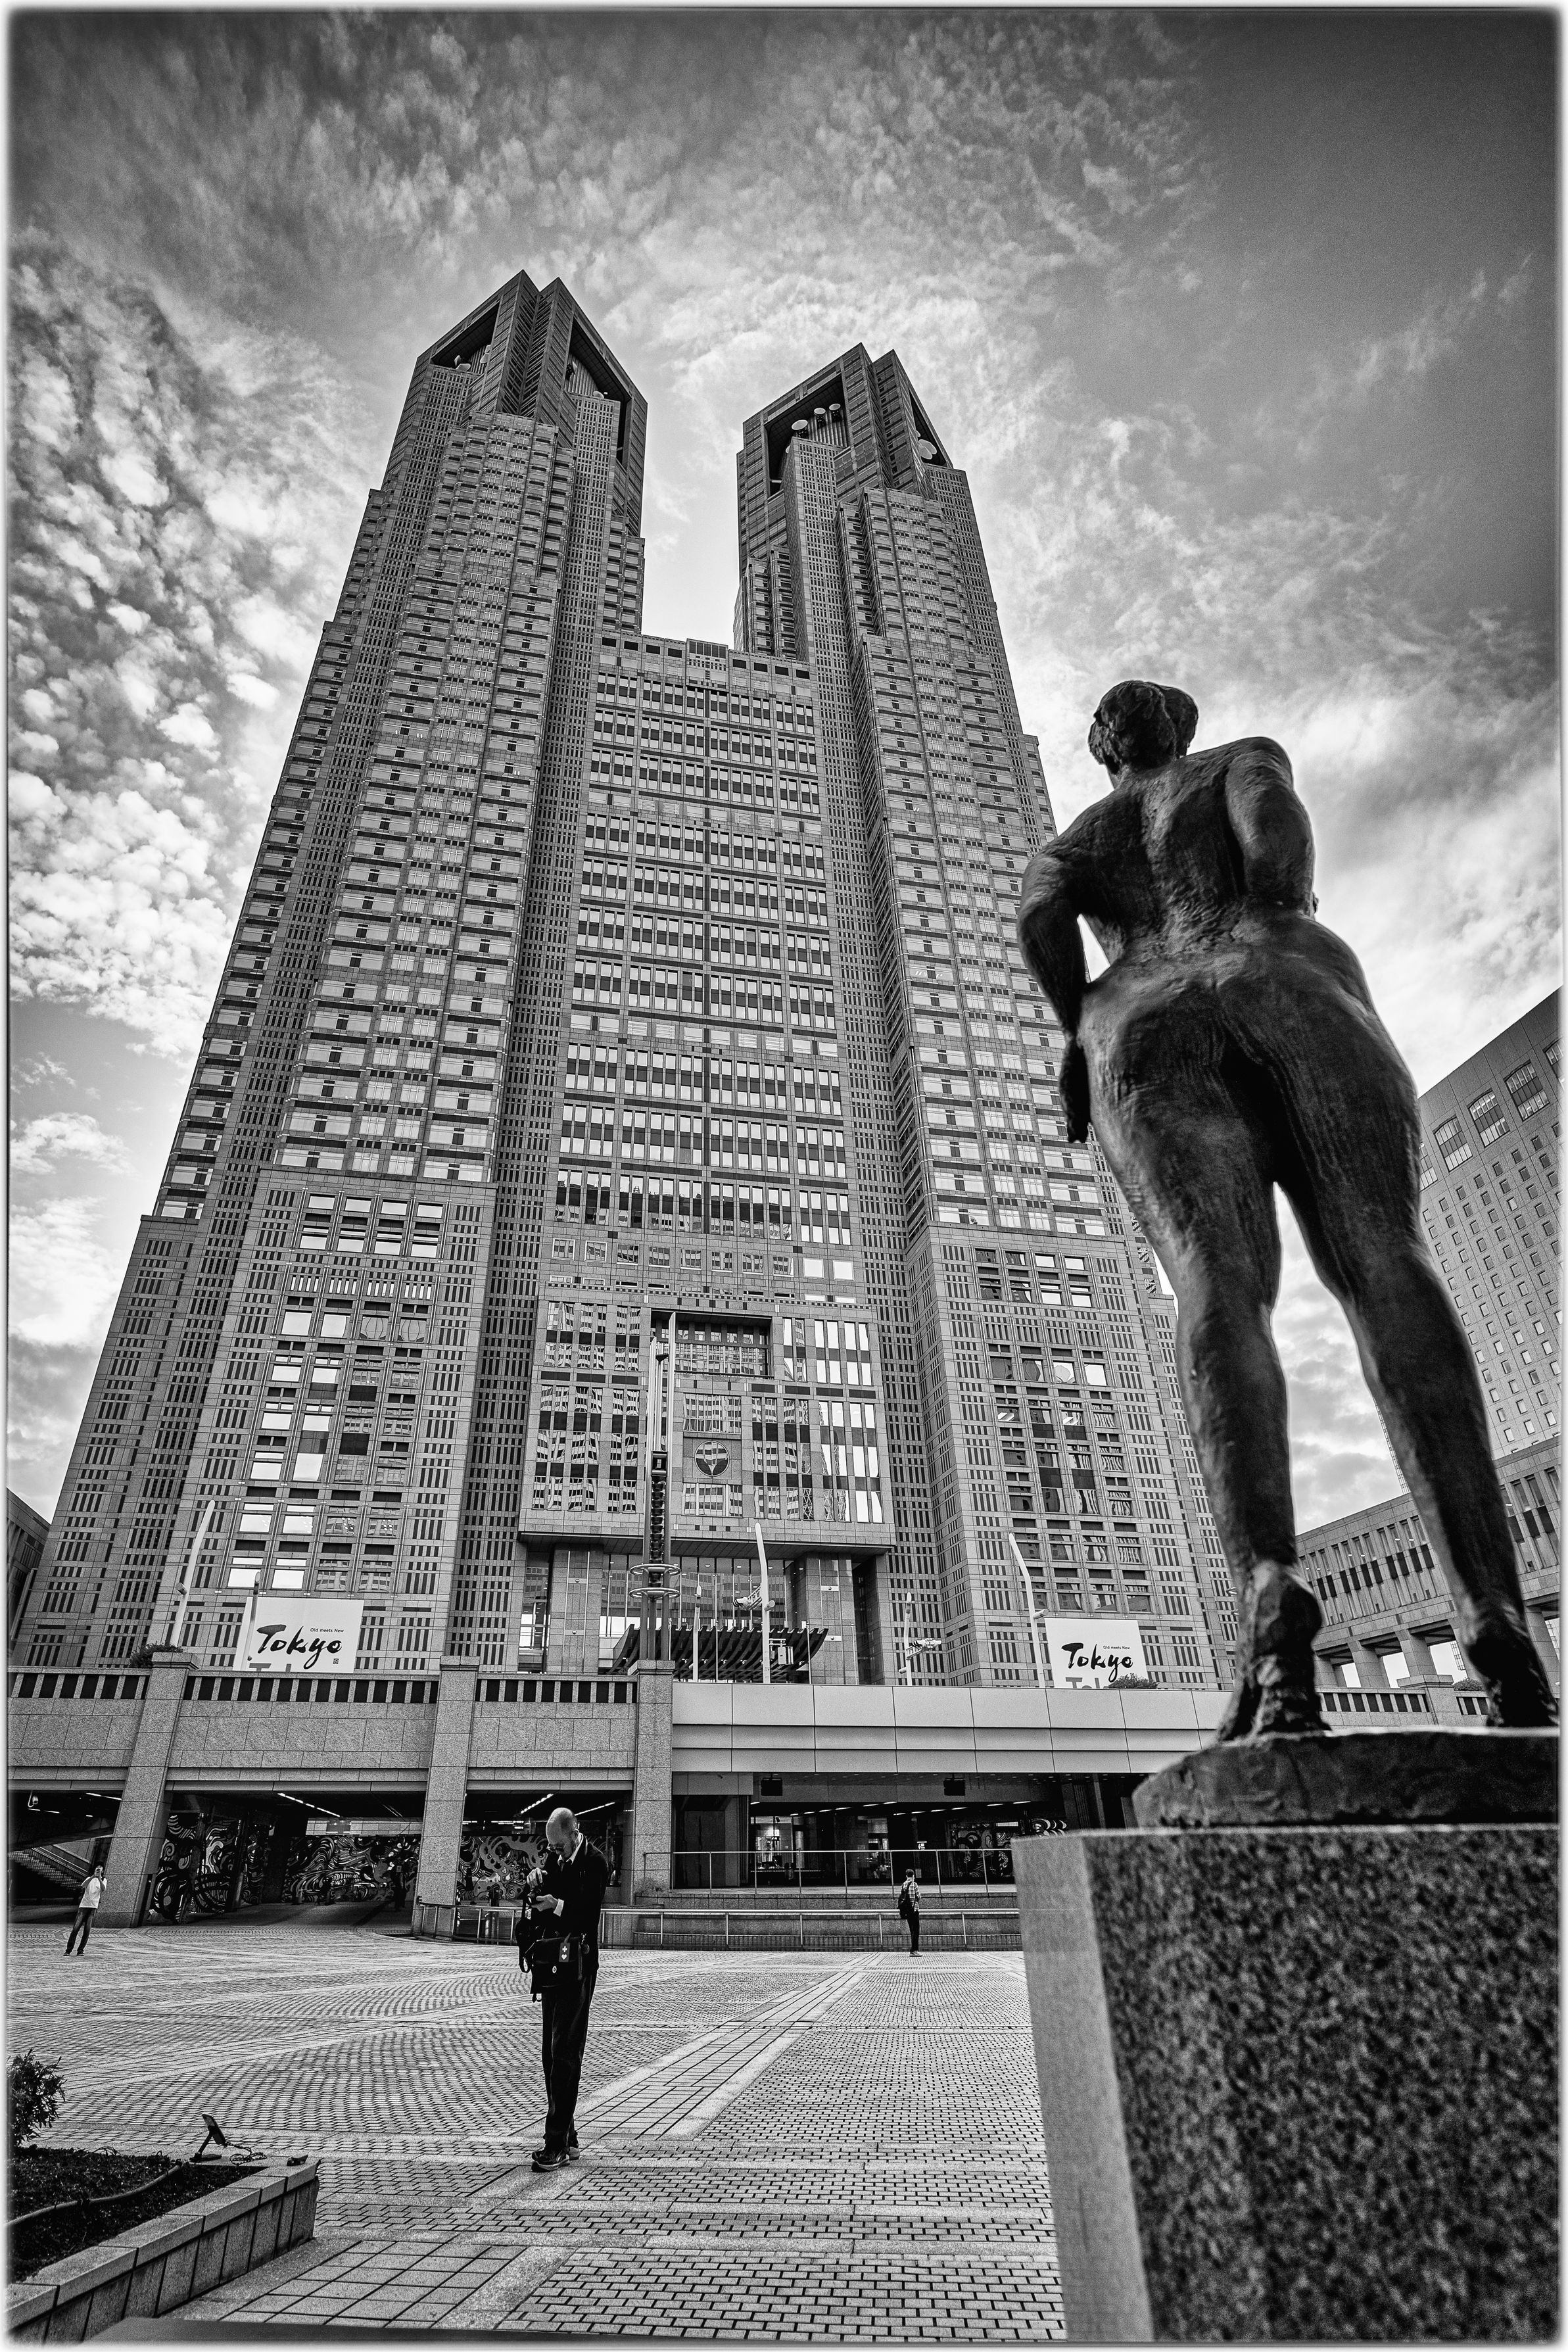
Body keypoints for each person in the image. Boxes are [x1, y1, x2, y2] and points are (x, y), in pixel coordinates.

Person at [1017, 679, 1557, 1737]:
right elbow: (1277, 842)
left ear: (1104, 751)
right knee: (1382, 1257)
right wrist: (1274, 911)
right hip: (1282, 968)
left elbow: (1039, 918)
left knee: (1214, 1288)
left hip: (1138, 1018)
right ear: (1177, 730)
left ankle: (1268, 1594)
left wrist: (1077, 1026)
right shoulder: (1240, 758)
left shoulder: (1078, 839)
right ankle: (1493, 1613)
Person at [527, 1807, 609, 2171]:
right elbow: (542, 1903)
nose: (555, 1852)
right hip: (553, 1964)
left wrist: (556, 1905)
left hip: (578, 1965)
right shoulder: (554, 1859)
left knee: (565, 2051)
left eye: (559, 1846)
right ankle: (568, 2137)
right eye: (551, 1848)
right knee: (551, 2051)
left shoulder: (596, 1862)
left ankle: (556, 2143)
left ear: (574, 1833)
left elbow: (587, 1915)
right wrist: (535, 1883)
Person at [65, 1865, 105, 1955]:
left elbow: (103, 1889)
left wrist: (99, 1879)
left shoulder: (104, 1880)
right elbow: (83, 1885)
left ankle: (80, 1950)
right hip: (84, 1906)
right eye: (97, 1867)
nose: (98, 1869)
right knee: (76, 1928)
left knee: (87, 1930)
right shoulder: (89, 1878)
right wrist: (93, 1877)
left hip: (93, 1907)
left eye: (100, 1868)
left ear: (102, 1871)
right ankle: (69, 1950)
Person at [897, 1868, 920, 1955]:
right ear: (913, 1876)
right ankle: (914, 1950)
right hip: (914, 1910)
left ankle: (913, 1950)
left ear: (907, 1876)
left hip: (907, 1910)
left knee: (911, 1930)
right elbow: (919, 1896)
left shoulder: (904, 1885)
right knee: (916, 1931)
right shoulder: (914, 1884)